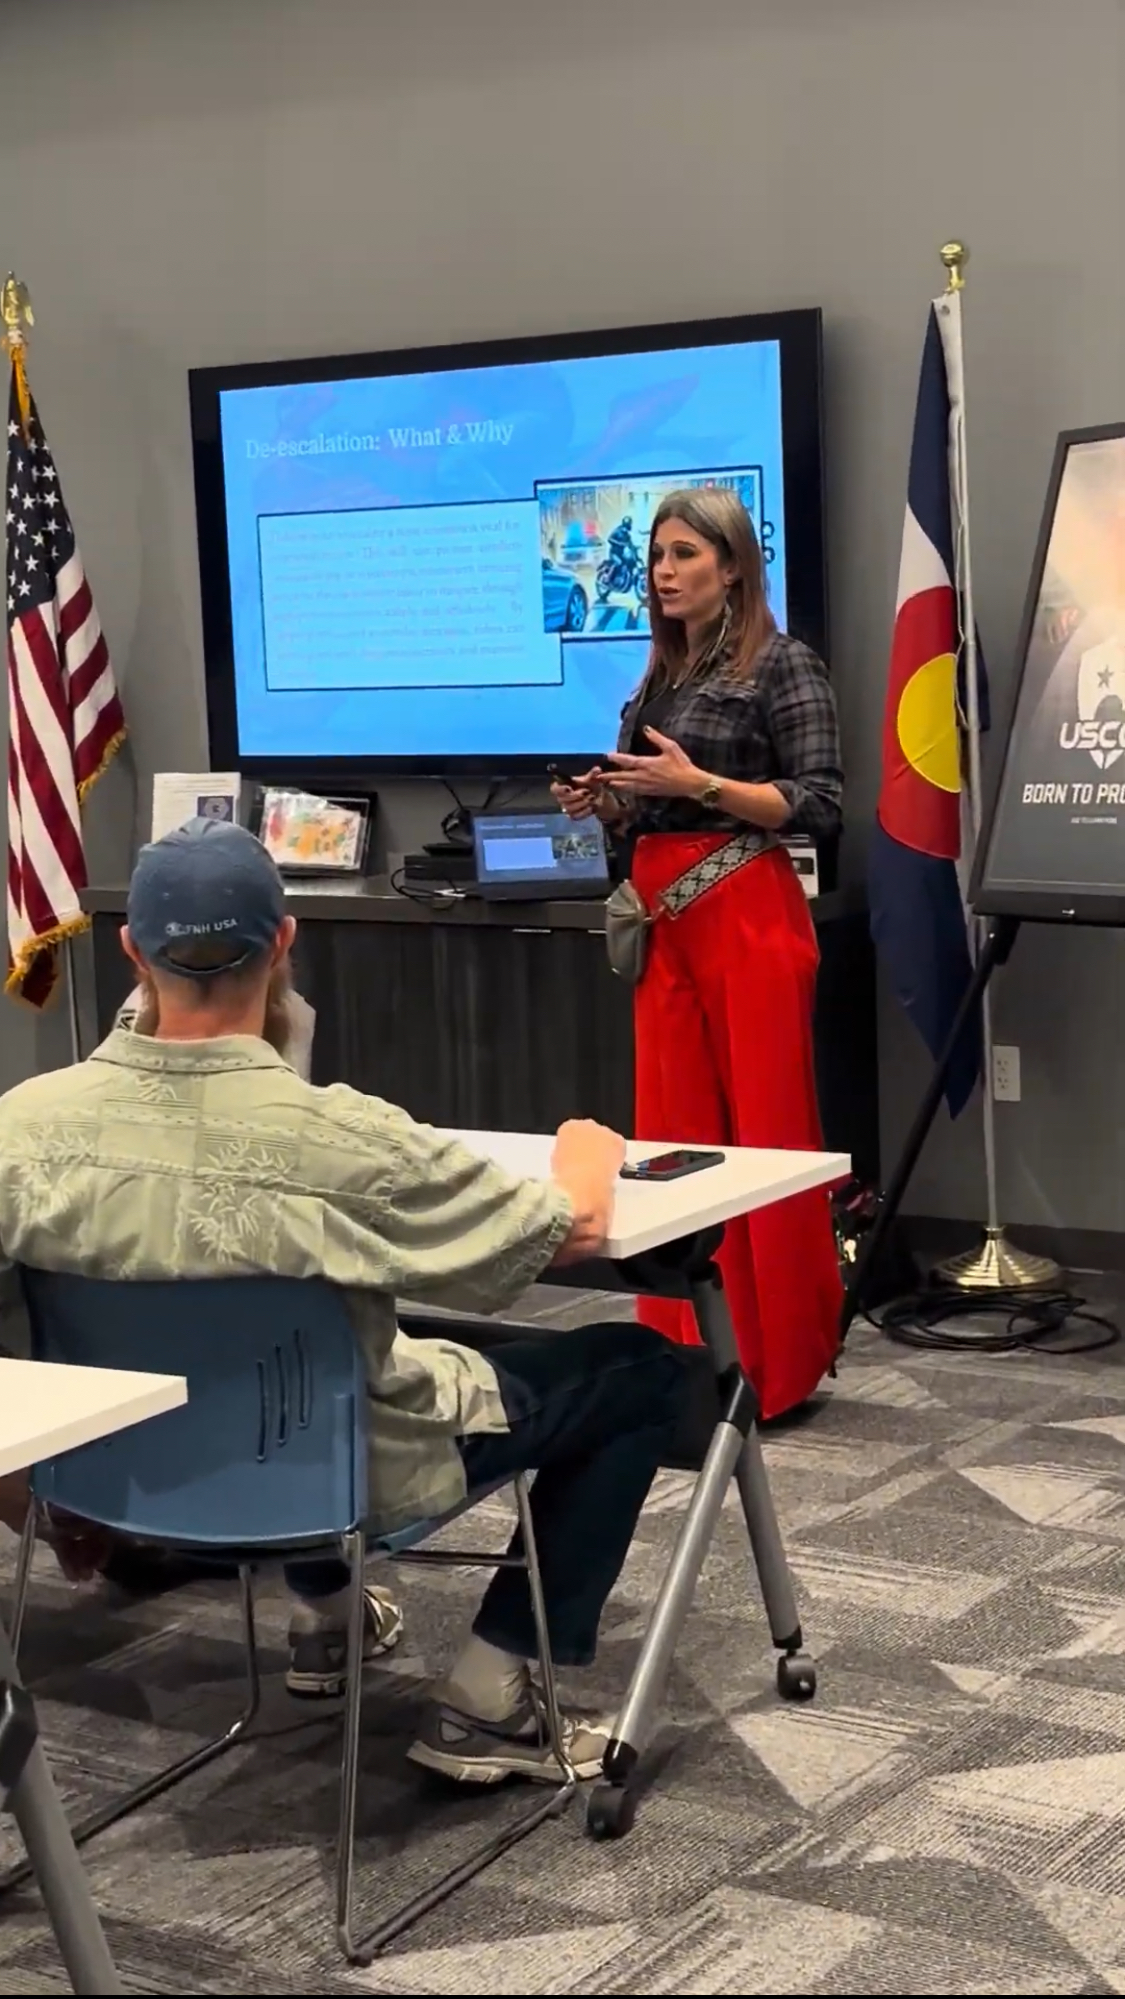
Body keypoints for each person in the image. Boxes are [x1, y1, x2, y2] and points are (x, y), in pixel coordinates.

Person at [0, 818, 690, 1786]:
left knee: (325, 1329)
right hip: (342, 1473)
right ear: (286, 940)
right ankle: (491, 1695)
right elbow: (555, 1232)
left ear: (130, 948)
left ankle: (325, 1621)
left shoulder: (22, 1125)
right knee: (642, 1369)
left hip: (119, 1484)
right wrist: (590, 1147)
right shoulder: (343, 1138)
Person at [553, 487, 844, 1418]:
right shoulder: (656, 680)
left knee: (764, 1129)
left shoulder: (784, 665)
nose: (665, 573)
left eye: (683, 555)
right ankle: (683, 1360)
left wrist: (703, 782)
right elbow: (646, 803)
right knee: (672, 1137)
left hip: (744, 913)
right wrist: (606, 801)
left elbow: (820, 802)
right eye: (656, 559)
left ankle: (778, 1362)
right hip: (660, 917)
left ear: (732, 566)